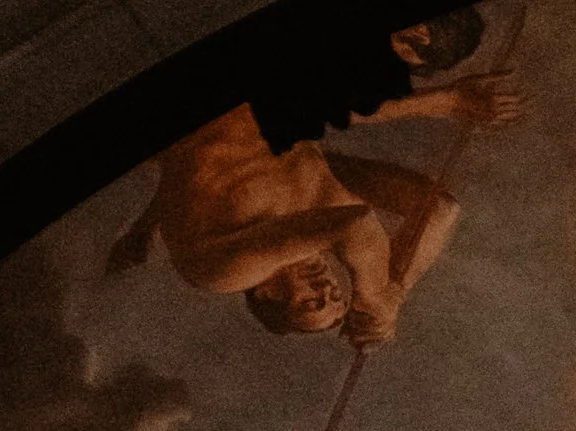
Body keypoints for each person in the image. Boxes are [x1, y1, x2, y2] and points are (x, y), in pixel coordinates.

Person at [103, 57, 521, 343]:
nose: (327, 289)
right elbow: (440, 210)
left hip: (172, 88)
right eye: (336, 297)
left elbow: (355, 226)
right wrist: (395, 291)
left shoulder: (223, 273)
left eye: (310, 302)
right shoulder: (319, 206)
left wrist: (377, 299)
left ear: (266, 295)